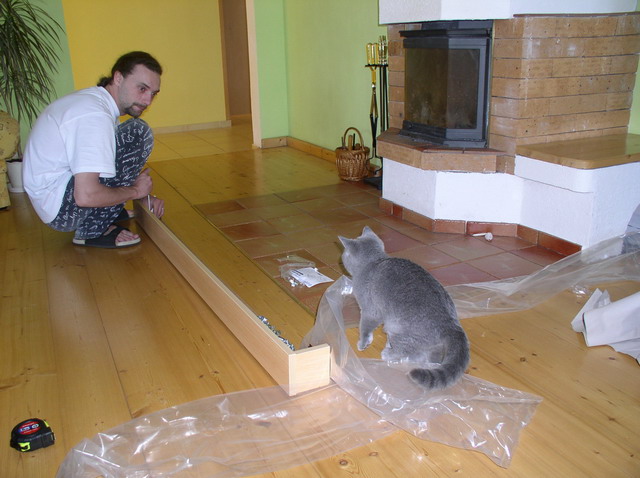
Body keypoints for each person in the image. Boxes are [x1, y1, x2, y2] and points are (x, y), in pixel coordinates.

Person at [23, 51, 165, 248]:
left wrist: (145, 196)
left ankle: (107, 210)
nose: (147, 101)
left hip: (54, 196)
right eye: (142, 88)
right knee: (137, 132)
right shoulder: (95, 115)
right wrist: (135, 191)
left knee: (126, 139)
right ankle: (92, 230)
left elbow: (111, 164)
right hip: (61, 211)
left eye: (153, 94)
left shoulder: (96, 102)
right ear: (118, 78)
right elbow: (85, 196)